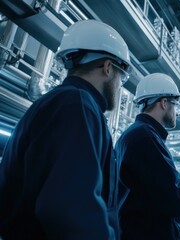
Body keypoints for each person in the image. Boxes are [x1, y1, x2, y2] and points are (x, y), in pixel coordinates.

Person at [0, 20, 131, 239]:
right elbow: (71, 208)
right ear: (108, 68)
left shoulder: (64, 103)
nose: (120, 87)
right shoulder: (77, 106)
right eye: (122, 78)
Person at [115, 73, 180, 240]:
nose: (177, 112)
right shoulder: (146, 138)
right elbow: (175, 199)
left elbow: (157, 192)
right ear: (163, 103)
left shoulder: (131, 136)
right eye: (175, 105)